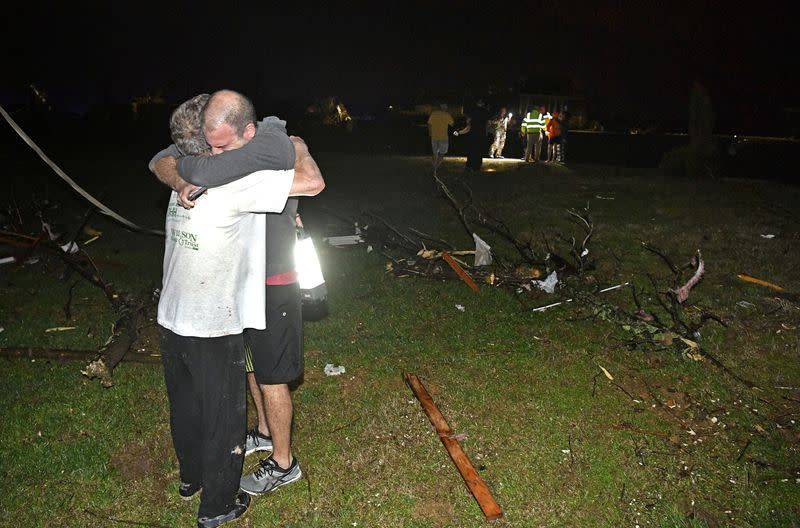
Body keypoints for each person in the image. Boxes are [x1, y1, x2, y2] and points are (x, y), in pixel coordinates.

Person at [151, 90, 324, 527]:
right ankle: (264, 435)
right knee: (251, 368)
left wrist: (298, 147)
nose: (214, 155)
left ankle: (284, 463)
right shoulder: (219, 163)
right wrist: (178, 176)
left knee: (272, 375)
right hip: (238, 287)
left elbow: (312, 181)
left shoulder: (264, 159)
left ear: (248, 133)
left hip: (274, 280)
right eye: (210, 145)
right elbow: (161, 159)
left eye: (222, 145)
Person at [454, 99, 490, 171]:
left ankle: (470, 165)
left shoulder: (473, 112)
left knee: (472, 150)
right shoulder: (485, 113)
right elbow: (487, 125)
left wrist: (459, 132)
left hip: (473, 135)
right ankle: (477, 166)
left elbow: (468, 126)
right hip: (481, 135)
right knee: (479, 152)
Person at [426, 103, 454, 174]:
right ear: (444, 107)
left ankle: (434, 167)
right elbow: (452, 124)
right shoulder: (447, 115)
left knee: (434, 153)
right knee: (442, 153)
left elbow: (429, 124)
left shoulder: (434, 114)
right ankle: (436, 168)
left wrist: (430, 132)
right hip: (443, 137)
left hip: (434, 136)